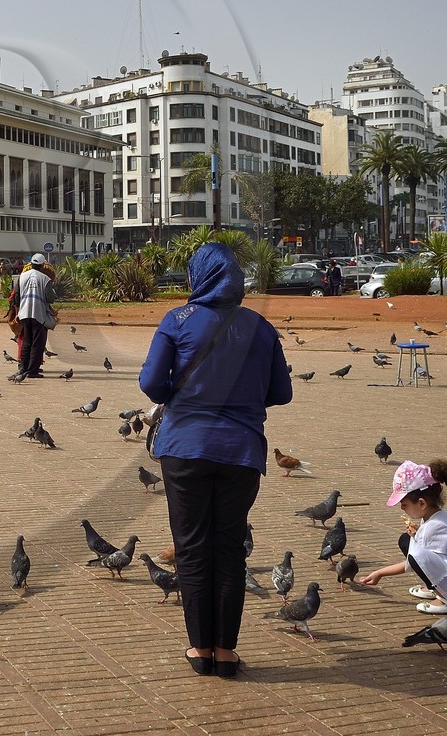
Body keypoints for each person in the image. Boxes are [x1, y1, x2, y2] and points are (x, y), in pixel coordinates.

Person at [137, 241, 292, 679]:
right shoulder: (261, 327)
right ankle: (225, 652)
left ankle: (199, 648)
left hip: (184, 448)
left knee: (191, 548)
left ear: (197, 276)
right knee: (229, 550)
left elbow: (151, 382)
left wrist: (180, 397)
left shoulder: (178, 320)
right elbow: (281, 392)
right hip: (241, 451)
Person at [357, 459, 447, 616]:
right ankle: (436, 588)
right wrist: (415, 537)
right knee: (407, 542)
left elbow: (415, 560)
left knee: (415, 552)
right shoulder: (437, 517)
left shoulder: (433, 526)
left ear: (422, 504)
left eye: (404, 504)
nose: (401, 508)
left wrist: (380, 573)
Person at [8, 253, 56, 380]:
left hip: (24, 314)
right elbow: (50, 298)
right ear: (42, 265)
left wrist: (18, 312)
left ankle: (23, 368)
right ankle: (32, 371)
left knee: (27, 342)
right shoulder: (45, 279)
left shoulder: (22, 276)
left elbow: (17, 296)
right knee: (38, 343)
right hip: (39, 314)